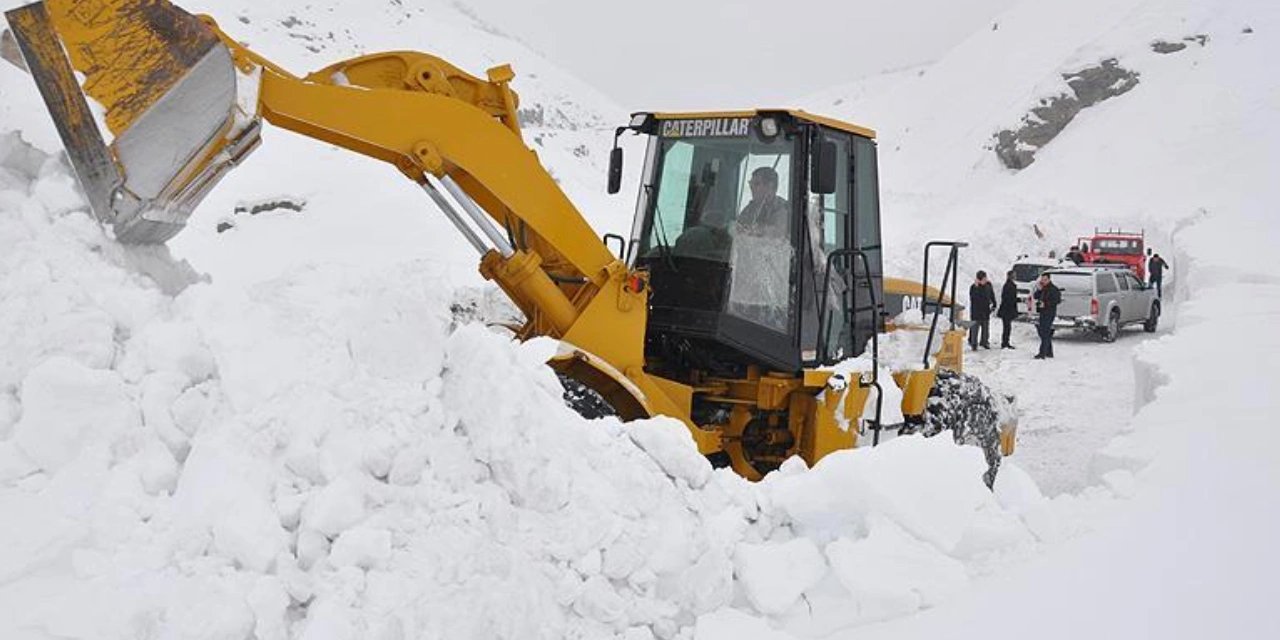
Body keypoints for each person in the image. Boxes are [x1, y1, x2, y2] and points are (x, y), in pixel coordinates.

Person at [736, 166, 789, 237]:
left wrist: (757, 230)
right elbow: (738, 229)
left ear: (770, 186)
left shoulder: (784, 209)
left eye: (756, 184)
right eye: (751, 183)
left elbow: (778, 235)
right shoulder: (749, 209)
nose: (751, 187)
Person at [1032, 272, 1061, 360]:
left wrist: (1046, 304)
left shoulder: (1054, 289)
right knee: (1043, 332)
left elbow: (1057, 300)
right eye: (1042, 279)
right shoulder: (1043, 288)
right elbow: (1035, 296)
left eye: (1045, 280)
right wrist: (1039, 289)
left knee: (1045, 332)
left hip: (1049, 312)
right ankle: (1049, 351)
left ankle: (1042, 353)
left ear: (1049, 279)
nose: (1043, 281)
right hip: (1042, 312)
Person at [968, 270, 996, 350]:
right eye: (984, 278)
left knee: (985, 328)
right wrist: (977, 287)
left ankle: (984, 341)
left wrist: (994, 303)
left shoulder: (988, 285)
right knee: (975, 329)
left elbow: (991, 295)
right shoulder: (974, 287)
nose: (985, 280)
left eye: (985, 278)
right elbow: (973, 298)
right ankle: (974, 343)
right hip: (976, 311)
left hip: (985, 310)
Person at [997, 269, 1020, 349]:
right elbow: (1009, 298)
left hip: (1007, 309)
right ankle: (1005, 343)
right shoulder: (1009, 285)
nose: (1015, 276)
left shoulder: (1009, 285)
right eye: (1014, 275)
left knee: (1007, 327)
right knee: (1007, 327)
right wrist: (1017, 300)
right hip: (1007, 310)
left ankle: (1006, 342)